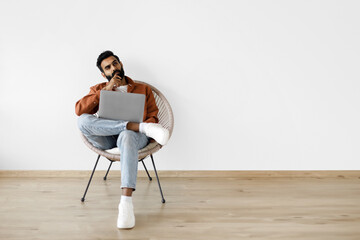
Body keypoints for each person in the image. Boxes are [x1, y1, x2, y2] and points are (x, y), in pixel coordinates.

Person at [75, 50, 169, 229]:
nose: (113, 68)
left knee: (127, 134)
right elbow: (80, 110)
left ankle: (126, 203)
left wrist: (144, 126)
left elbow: (153, 117)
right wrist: (106, 90)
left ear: (121, 64)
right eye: (108, 67)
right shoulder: (99, 89)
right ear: (104, 74)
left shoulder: (143, 89)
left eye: (115, 63)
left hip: (134, 139)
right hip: (108, 139)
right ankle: (134, 125)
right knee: (82, 121)